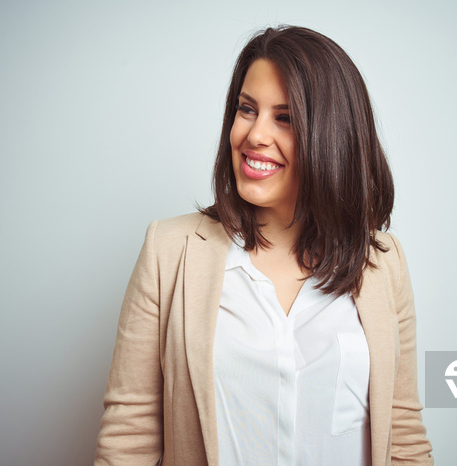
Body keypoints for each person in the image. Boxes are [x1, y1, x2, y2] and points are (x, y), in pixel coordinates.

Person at [94, 25, 433, 466]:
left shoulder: (384, 265)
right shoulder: (169, 251)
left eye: (285, 117)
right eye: (246, 109)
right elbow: (129, 438)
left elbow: (403, 436)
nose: (254, 134)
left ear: (332, 135)